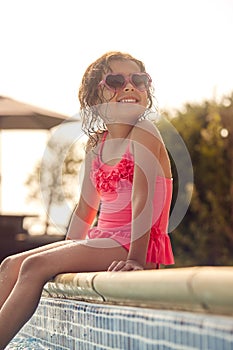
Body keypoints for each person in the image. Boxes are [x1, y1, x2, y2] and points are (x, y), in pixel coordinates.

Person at [0, 51, 174, 348]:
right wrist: (66, 253)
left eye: (139, 80)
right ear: (96, 97)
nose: (130, 87)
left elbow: (142, 198)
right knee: (11, 265)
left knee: (33, 267)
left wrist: (136, 259)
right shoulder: (97, 145)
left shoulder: (145, 132)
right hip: (102, 240)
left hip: (131, 244)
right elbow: (85, 209)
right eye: (116, 81)